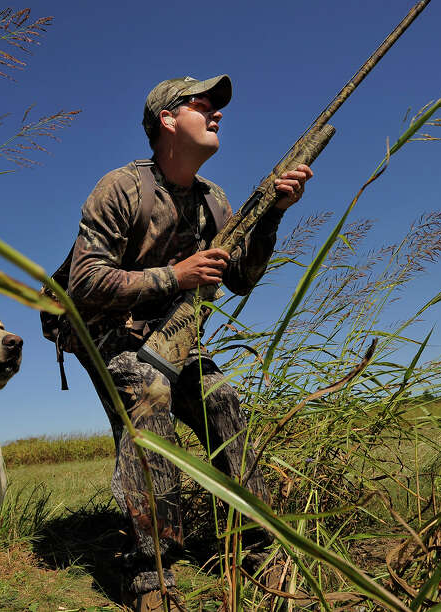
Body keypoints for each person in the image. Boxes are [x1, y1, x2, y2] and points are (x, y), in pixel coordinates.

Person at [67, 74, 312, 610]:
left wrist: (271, 215)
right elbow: (82, 282)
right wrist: (174, 276)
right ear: (167, 119)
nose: (217, 113)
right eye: (202, 104)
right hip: (101, 327)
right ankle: (149, 574)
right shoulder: (122, 187)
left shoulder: (214, 200)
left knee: (222, 399)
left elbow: (242, 278)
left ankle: (254, 542)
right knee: (150, 394)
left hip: (173, 331)